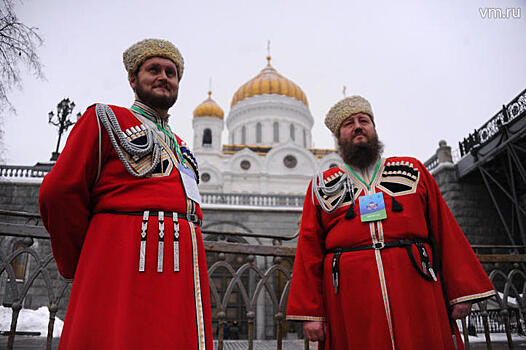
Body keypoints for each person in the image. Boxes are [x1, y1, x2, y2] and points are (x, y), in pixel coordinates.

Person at [39, 39, 212, 350]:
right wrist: (91, 254)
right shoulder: (106, 119)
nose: (163, 77)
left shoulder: (182, 145)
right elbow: (59, 192)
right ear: (133, 80)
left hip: (183, 271)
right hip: (122, 262)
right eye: (153, 70)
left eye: (171, 72)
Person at [286, 95, 496, 350]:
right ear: (339, 137)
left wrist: (460, 291)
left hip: (416, 288)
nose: (358, 126)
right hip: (351, 299)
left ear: (374, 128)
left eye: (364, 120)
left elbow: (445, 231)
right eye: (349, 124)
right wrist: (311, 313)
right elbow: (309, 250)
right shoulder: (322, 186)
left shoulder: (412, 171)